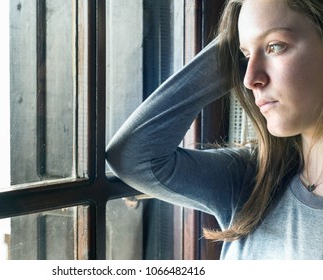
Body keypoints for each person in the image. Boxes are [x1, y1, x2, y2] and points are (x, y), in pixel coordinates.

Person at [106, 0, 323, 260]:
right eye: (244, 56)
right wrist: (235, 34)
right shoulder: (254, 180)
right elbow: (132, 157)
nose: (249, 78)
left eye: (275, 46)